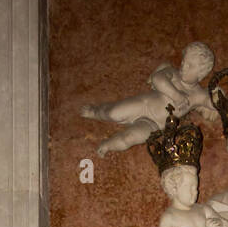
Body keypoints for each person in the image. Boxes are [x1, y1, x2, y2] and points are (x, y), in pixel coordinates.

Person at [81, 42, 216, 156]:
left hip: (154, 124)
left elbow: (214, 103)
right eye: (183, 61)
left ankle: (108, 145)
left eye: (190, 66)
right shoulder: (173, 74)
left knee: (129, 138)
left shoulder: (198, 95)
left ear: (201, 74)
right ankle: (96, 111)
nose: (183, 67)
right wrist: (177, 95)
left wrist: (218, 96)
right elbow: (157, 78)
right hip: (143, 104)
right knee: (113, 113)